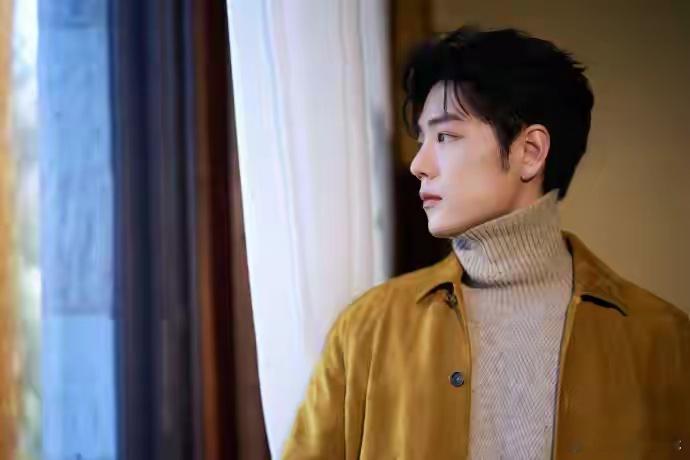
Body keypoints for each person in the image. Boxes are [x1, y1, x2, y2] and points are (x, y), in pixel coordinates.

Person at [282, 25, 690, 459]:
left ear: (530, 152)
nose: (419, 164)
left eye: (445, 136)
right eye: (422, 139)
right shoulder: (365, 330)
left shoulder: (664, 341)